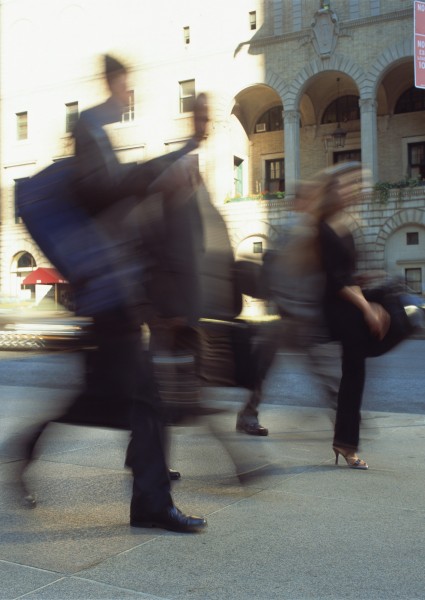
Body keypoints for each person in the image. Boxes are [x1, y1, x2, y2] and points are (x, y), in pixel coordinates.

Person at [18, 54, 209, 531]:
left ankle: (26, 452)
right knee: (144, 401)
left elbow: (117, 195)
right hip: (106, 297)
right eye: (129, 84)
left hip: (111, 294)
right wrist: (175, 155)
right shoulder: (90, 128)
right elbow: (107, 191)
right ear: (114, 81)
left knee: (103, 401)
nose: (133, 93)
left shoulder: (98, 133)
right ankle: (149, 503)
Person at [235, 181, 341, 436]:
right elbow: (280, 273)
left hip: (301, 315)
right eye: (310, 198)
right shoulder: (296, 229)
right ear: (301, 201)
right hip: (290, 316)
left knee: (319, 369)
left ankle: (344, 417)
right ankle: (344, 418)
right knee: (267, 367)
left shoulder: (309, 230)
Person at [311, 162, 390, 470]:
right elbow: (335, 279)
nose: (354, 190)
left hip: (346, 303)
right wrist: (367, 308)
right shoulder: (324, 227)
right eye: (348, 185)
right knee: (353, 376)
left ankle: (344, 442)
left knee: (353, 376)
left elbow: (346, 274)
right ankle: (346, 444)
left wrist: (365, 280)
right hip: (338, 310)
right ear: (333, 191)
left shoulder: (342, 224)